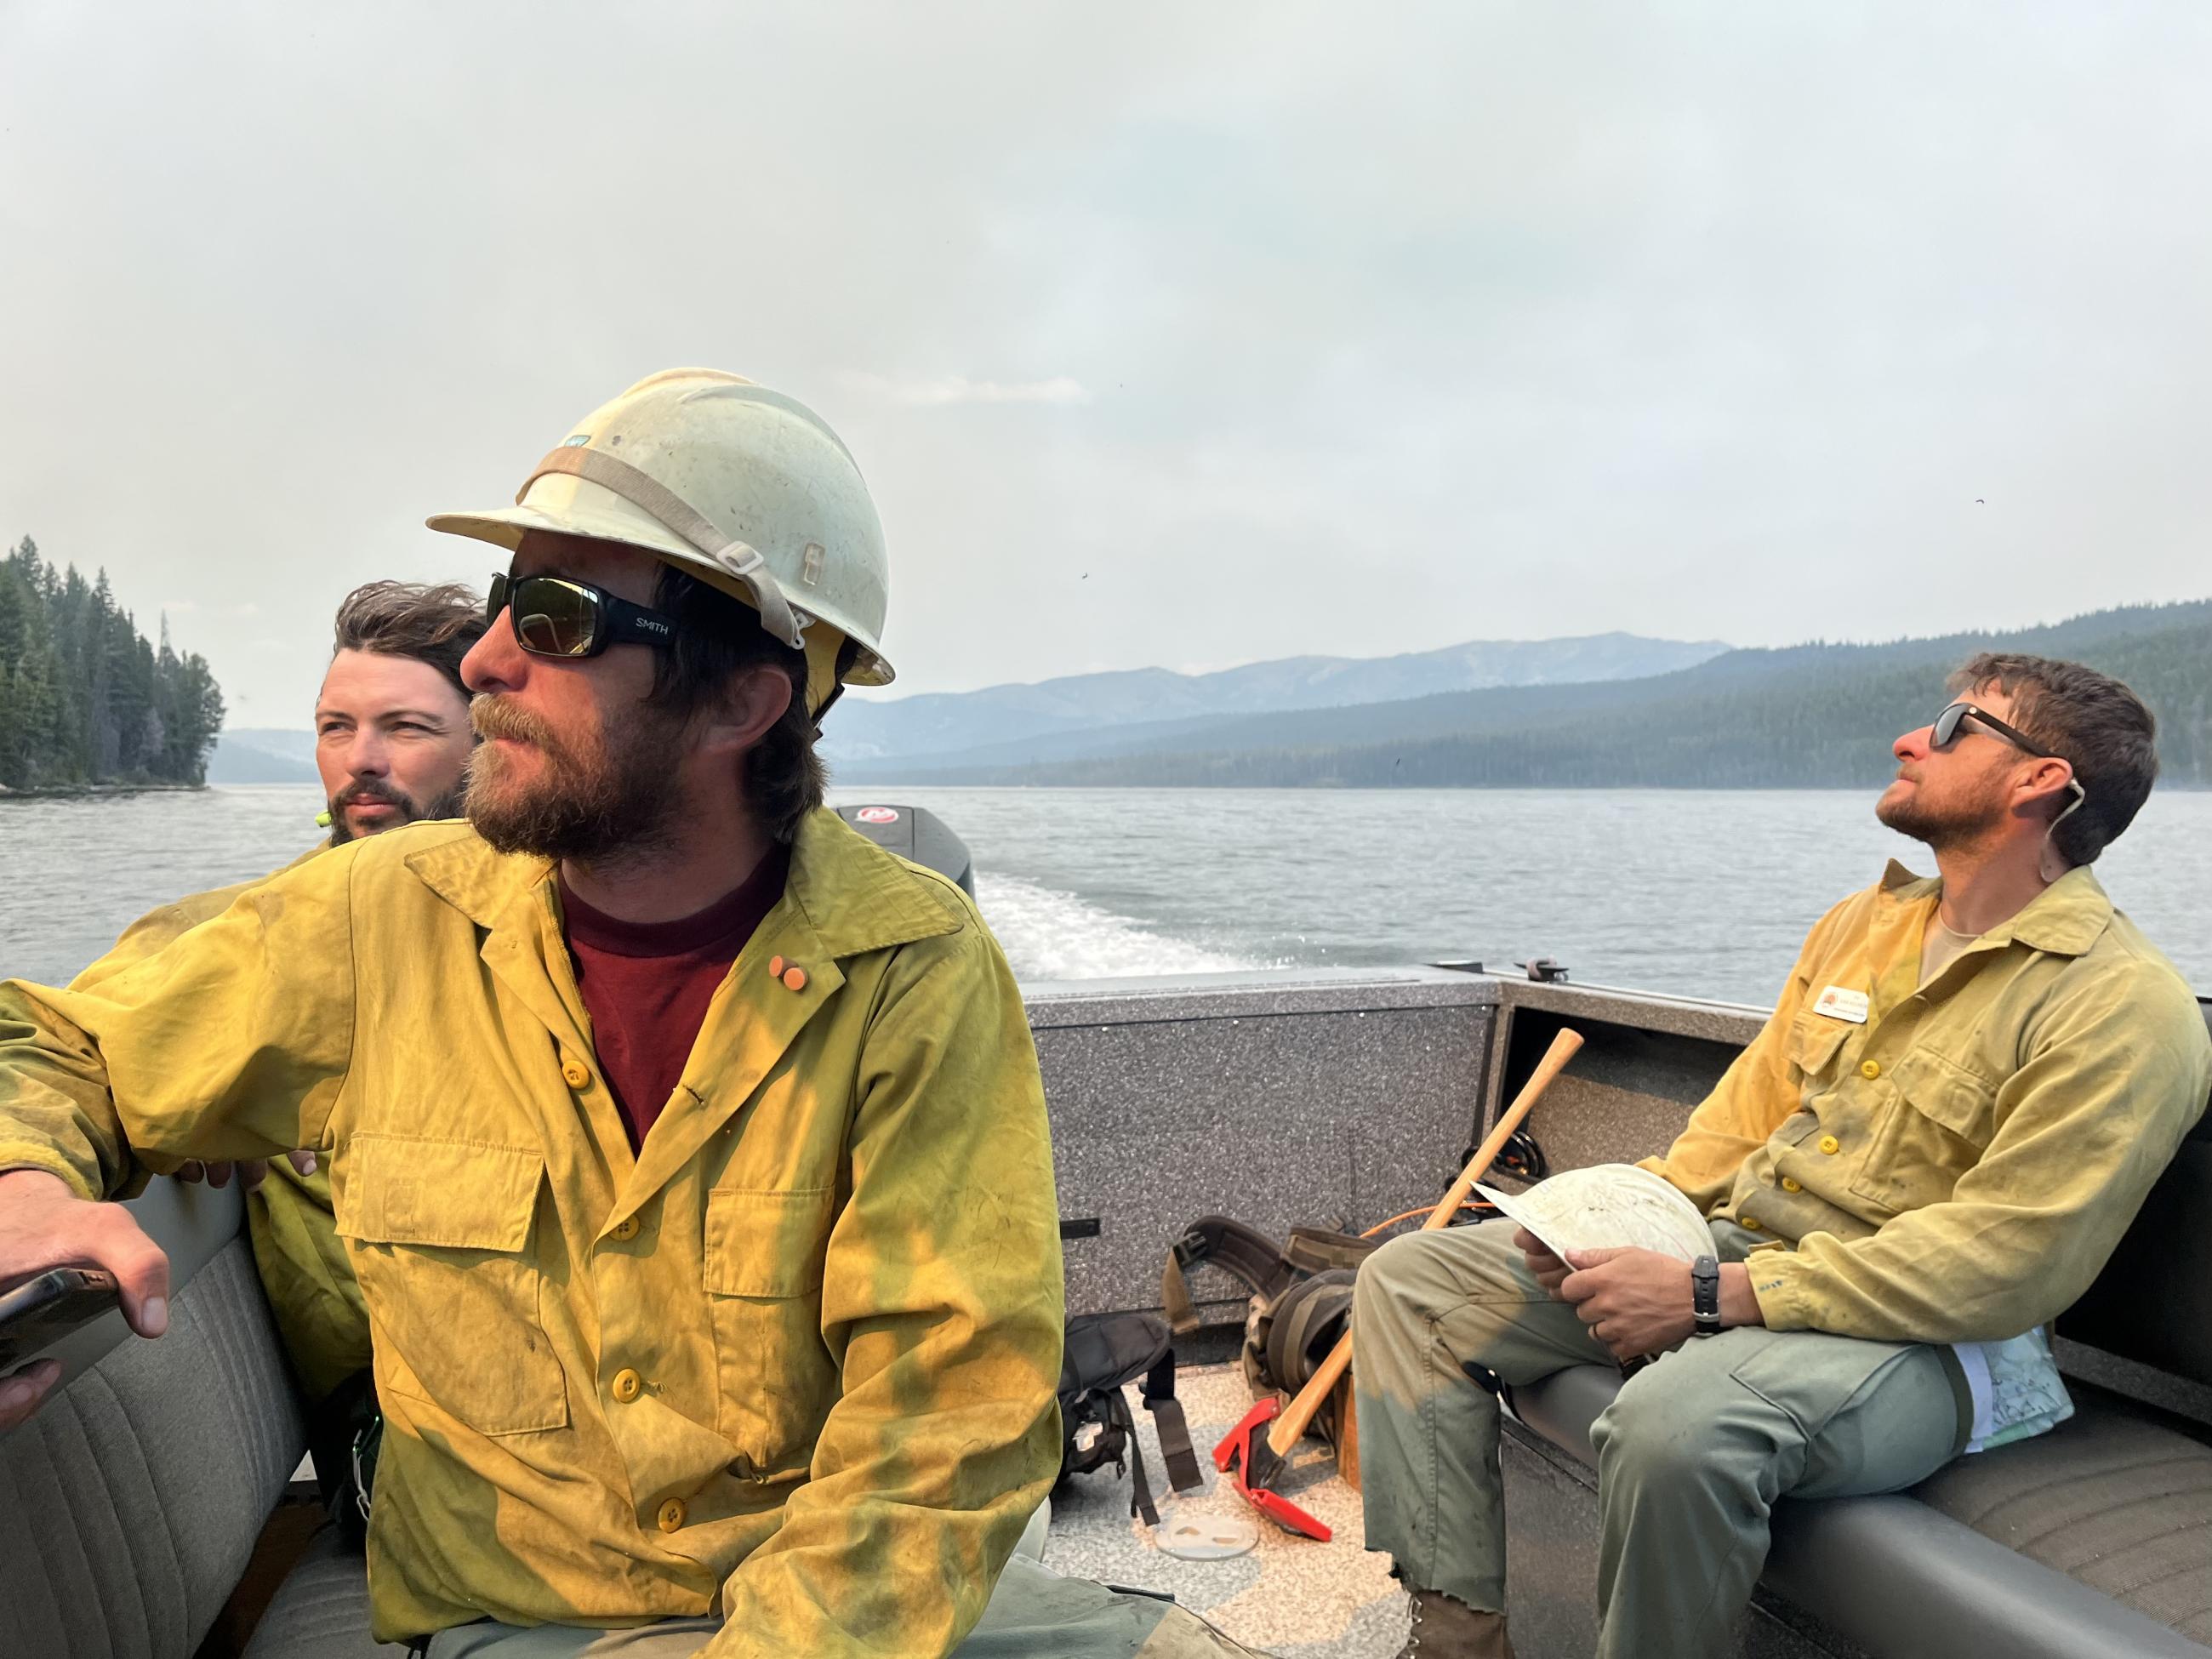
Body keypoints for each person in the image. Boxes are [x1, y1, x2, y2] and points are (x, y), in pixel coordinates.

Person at [0, 368, 1249, 1659]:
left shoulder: (912, 971)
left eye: (551, 618)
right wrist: (24, 1176)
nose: (483, 660)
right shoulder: (377, 921)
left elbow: (946, 1417)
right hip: (520, 1617)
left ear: (739, 702)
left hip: (824, 1603)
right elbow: (53, 1039)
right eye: (502, 604)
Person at [1353, 653, 2211, 1659]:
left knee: (1673, 1427)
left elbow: (2004, 1266)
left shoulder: (2119, 1005)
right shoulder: (1860, 928)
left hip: (1928, 1346)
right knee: (1408, 1281)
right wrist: (1601, 1236)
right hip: (1732, 1259)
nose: (1909, 739)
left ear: (2039, 783)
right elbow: (1729, 1128)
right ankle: (1458, 1644)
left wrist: (1709, 1297)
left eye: (1952, 725)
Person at [55, 581, 487, 1529]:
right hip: (411, 1441)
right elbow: (62, 1041)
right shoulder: (250, 938)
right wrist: (30, 1183)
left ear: (486, 746)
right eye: (336, 727)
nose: (360, 762)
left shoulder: (548, 933)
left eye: (404, 728)